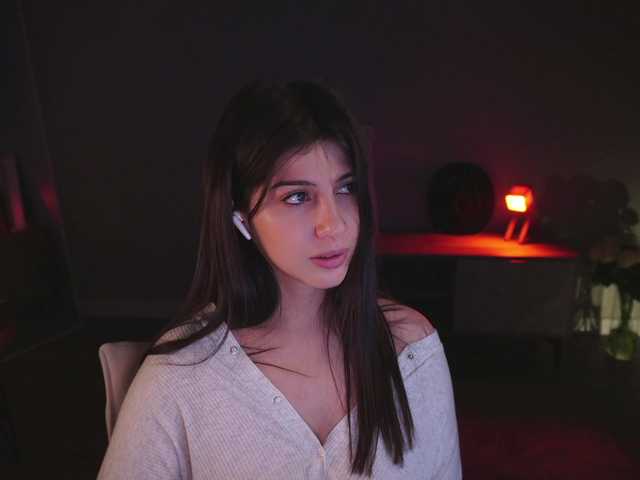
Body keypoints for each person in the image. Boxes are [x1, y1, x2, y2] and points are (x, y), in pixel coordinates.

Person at [98, 80, 461, 479]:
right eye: (297, 197)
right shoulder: (183, 375)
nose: (334, 224)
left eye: (346, 188)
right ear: (240, 218)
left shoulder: (411, 350)